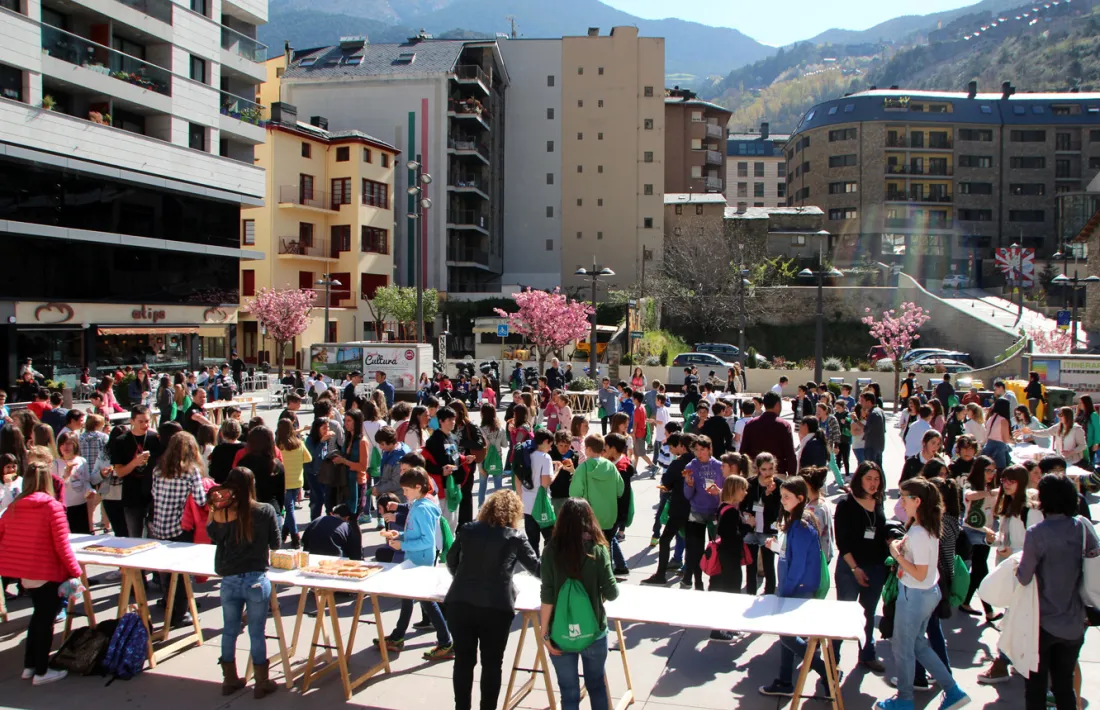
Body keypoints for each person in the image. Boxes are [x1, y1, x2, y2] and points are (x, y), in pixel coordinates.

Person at [877, 477, 971, 710]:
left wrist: (896, 553)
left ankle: (905, 699)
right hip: (927, 594)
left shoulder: (919, 532)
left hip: (915, 595)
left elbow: (919, 573)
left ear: (917, 501)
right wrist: (901, 547)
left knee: (903, 647)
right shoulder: (925, 526)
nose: (901, 502)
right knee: (918, 644)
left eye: (904, 497)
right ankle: (953, 690)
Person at [446, 489, 540, 710]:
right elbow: (537, 568)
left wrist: (463, 576)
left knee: (463, 661)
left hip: (460, 602)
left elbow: (451, 560)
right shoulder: (515, 536)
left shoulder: (468, 529)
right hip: (496, 607)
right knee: (492, 664)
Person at [1018, 474, 1097, 710]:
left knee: (1036, 688)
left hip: (1041, 622)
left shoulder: (1036, 533)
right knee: (1064, 686)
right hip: (1075, 620)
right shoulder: (1083, 527)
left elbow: (1023, 577)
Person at [0, 462, 82, 685]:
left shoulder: (15, 507)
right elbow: (62, 546)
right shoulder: (51, 507)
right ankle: (41, 671)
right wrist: (76, 572)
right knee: (44, 622)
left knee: (38, 618)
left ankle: (30, 666)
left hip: (26, 572)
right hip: (47, 572)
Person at [540, 498, 620, 710]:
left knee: (568, 692)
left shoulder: (550, 551)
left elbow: (547, 595)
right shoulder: (598, 550)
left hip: (560, 632)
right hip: (593, 631)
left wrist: (545, 632)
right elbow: (612, 593)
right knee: (596, 686)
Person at [207, 466, 280, 697]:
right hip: (256, 578)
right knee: (257, 632)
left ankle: (229, 679)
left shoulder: (224, 512)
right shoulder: (265, 510)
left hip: (229, 578)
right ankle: (261, 682)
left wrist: (215, 508)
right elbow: (276, 543)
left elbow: (213, 535)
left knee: (229, 630)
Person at [758, 476, 829, 697]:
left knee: (787, 637)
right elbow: (794, 555)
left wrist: (784, 592)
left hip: (796, 588)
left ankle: (826, 671)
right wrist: (777, 548)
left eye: (787, 497)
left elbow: (797, 566)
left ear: (800, 498)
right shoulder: (798, 522)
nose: (783, 501)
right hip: (794, 586)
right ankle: (785, 680)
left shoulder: (801, 526)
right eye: (782, 497)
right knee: (787, 637)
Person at [377, 468, 453, 660]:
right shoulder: (419, 505)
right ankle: (399, 636)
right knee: (414, 600)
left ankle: (445, 642)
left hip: (419, 562)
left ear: (418, 487)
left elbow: (426, 540)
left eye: (407, 489)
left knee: (427, 603)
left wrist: (402, 543)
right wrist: (399, 535)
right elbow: (416, 534)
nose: (404, 493)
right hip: (415, 560)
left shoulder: (421, 508)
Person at [833, 461, 888, 672]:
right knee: (844, 613)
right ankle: (833, 658)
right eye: (869, 479)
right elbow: (842, 542)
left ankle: (867, 654)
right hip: (850, 568)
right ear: (859, 479)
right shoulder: (846, 504)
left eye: (877, 479)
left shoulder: (879, 500)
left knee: (868, 613)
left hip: (875, 567)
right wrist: (855, 569)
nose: (873, 484)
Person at [150, 431, 207, 625]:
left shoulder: (158, 469)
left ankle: (168, 601)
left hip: (159, 524)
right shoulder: (191, 472)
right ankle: (179, 613)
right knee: (182, 572)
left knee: (166, 569)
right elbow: (200, 499)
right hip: (180, 525)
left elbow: (154, 494)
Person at [642, 432, 692, 585]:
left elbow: (667, 481)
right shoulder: (699, 462)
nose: (670, 450)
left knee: (665, 540)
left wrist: (667, 487)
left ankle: (660, 575)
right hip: (696, 508)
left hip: (679, 507)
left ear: (681, 447)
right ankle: (688, 576)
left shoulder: (678, 463)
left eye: (672, 447)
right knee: (691, 542)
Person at [109, 405, 162, 538]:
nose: (145, 425)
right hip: (132, 496)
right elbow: (119, 472)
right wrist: (134, 463)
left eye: (147, 421)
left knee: (154, 537)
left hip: (153, 495)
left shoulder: (154, 438)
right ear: (132, 421)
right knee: (134, 536)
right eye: (141, 421)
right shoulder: (121, 441)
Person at [709, 474, 749, 639]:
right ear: (734, 490)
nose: (745, 493)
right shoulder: (731, 511)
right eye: (743, 489)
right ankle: (718, 630)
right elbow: (733, 535)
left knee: (729, 591)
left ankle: (729, 626)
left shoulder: (724, 507)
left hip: (726, 555)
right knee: (730, 592)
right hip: (730, 557)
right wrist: (748, 526)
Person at [681, 435, 723, 591]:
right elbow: (687, 495)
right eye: (696, 450)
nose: (700, 453)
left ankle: (715, 580)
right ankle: (697, 581)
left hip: (714, 511)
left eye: (702, 449)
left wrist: (718, 493)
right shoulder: (690, 466)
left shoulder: (719, 466)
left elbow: (726, 491)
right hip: (697, 510)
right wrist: (689, 485)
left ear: (709, 449)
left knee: (716, 548)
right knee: (695, 549)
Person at [236, 426, 287, 539]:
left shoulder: (243, 463)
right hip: (272, 509)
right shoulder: (276, 465)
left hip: (248, 511)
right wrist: (280, 511)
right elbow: (281, 492)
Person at [742, 452, 781, 595]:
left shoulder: (778, 485)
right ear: (758, 469)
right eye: (764, 469)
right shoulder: (750, 483)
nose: (767, 473)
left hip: (768, 529)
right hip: (752, 528)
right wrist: (746, 515)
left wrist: (769, 494)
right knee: (750, 565)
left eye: (770, 469)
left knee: (768, 565)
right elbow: (743, 503)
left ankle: (769, 593)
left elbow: (778, 508)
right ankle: (750, 592)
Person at [740, 392, 798, 476]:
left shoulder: (750, 424)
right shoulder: (783, 425)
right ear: (778, 404)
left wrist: (744, 473)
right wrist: (792, 475)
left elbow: (743, 451)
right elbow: (789, 453)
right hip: (777, 473)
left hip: (755, 473)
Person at [275, 419, 310, 548]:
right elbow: (308, 458)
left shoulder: (279, 446)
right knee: (290, 507)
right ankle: (285, 531)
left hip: (284, 481)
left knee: (289, 509)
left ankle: (295, 535)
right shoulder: (299, 443)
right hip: (297, 480)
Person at [861, 392, 886, 468]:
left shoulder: (873, 414)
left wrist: (855, 420)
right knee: (878, 468)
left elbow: (866, 429)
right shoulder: (880, 411)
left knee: (871, 469)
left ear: (868, 402)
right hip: (879, 445)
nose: (861, 403)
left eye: (863, 401)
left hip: (871, 447)